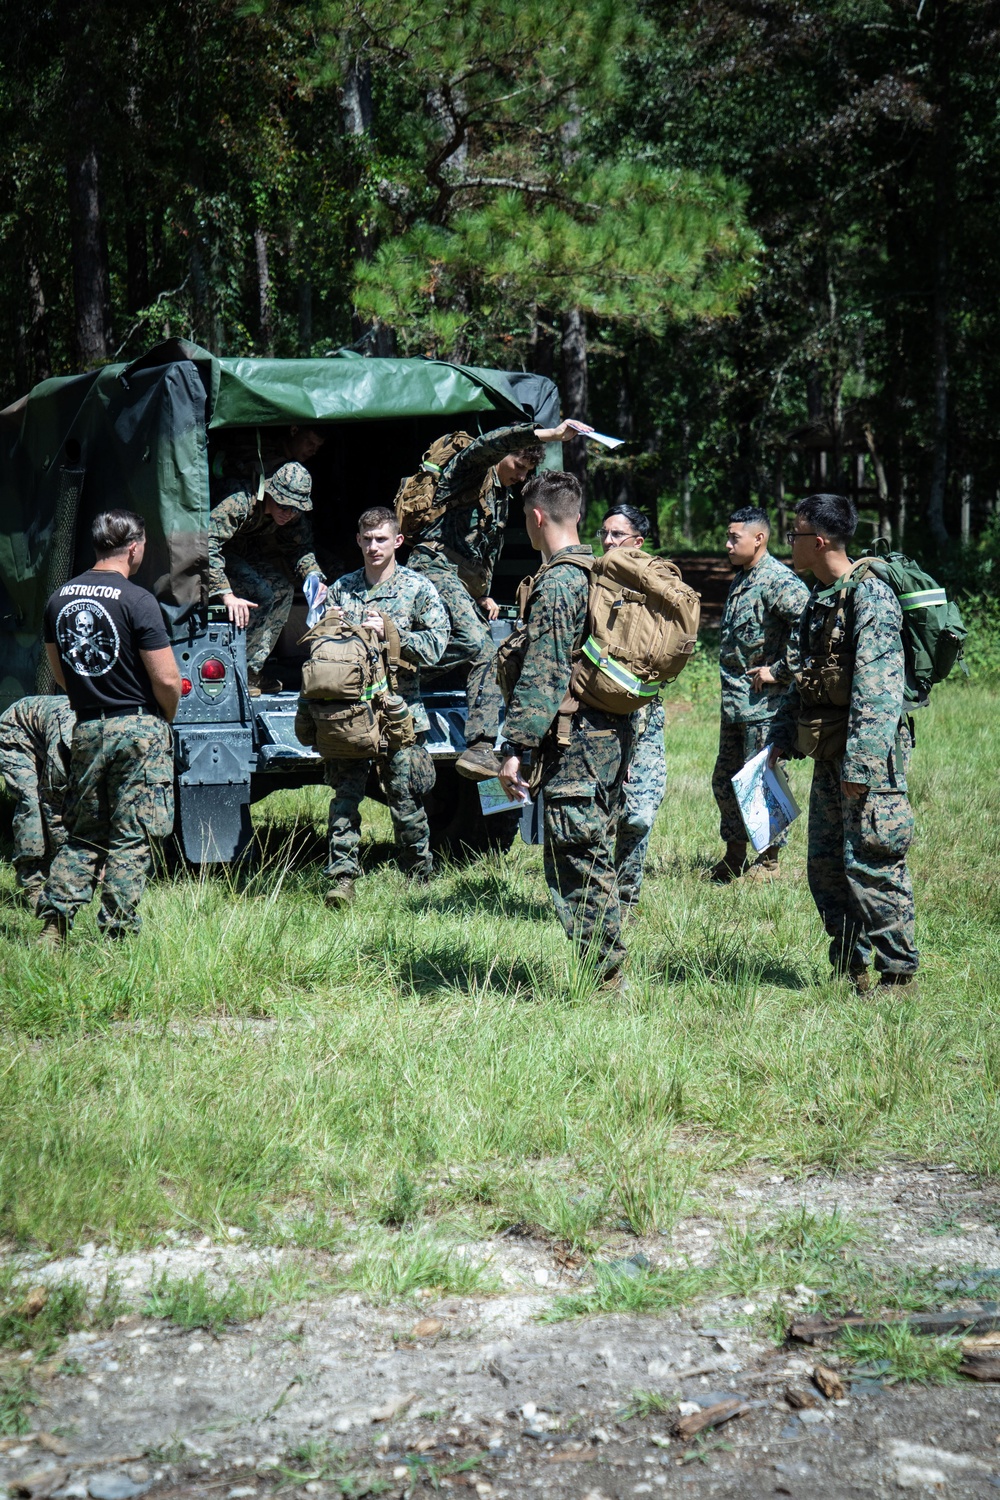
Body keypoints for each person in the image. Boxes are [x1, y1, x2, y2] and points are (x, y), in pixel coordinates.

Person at [768, 493, 919, 994]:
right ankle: (850, 966)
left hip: (867, 764)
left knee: (873, 862)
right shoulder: (820, 598)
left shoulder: (871, 597)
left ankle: (897, 974)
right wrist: (779, 739)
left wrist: (862, 767)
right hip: (831, 756)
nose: (791, 543)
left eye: (797, 534)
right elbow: (805, 677)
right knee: (826, 866)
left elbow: (879, 690)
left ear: (822, 540)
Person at [498, 471, 632, 987]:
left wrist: (516, 748)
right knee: (592, 846)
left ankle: (606, 978)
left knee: (576, 857)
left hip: (576, 742)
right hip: (609, 735)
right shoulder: (596, 570)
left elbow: (545, 672)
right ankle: (606, 971)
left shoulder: (558, 581)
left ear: (536, 518)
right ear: (577, 515)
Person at [404, 417, 593, 782]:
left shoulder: (502, 495)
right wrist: (552, 435)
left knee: (485, 642)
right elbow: (486, 444)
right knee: (481, 647)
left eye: (528, 471)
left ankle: (402, 667)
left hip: (460, 580)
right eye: (519, 466)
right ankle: (480, 745)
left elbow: (479, 550)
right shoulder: (470, 472)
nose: (522, 476)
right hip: (432, 565)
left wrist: (481, 596)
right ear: (501, 456)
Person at [36, 509, 181, 945]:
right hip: (137, 727)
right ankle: (117, 934)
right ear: (134, 547)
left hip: (86, 727)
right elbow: (168, 679)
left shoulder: (59, 598)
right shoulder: (137, 600)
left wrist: (90, 697)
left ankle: (54, 925)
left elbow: (59, 669)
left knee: (85, 831)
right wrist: (162, 719)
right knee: (131, 835)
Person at [303, 506, 449, 908]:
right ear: (357, 541)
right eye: (366, 539)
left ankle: (419, 878)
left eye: (381, 539)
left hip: (398, 711)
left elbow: (438, 644)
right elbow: (319, 648)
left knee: (405, 799)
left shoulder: (417, 588)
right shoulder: (342, 589)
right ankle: (342, 878)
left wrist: (390, 634)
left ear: (398, 541)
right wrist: (329, 627)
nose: (373, 547)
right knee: (345, 797)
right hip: (347, 713)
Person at [708, 505, 810, 882]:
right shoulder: (744, 576)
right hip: (736, 704)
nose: (727, 544)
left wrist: (780, 671)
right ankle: (735, 854)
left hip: (766, 706)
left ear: (759, 538)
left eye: (735, 538)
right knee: (725, 780)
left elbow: (810, 625)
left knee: (761, 781)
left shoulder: (778, 581)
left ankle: (769, 861)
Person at [598, 504, 668, 914]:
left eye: (617, 535)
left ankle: (627, 897)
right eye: (604, 533)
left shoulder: (658, 587)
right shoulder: (592, 578)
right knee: (602, 810)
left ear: (637, 543)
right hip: (598, 713)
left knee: (639, 812)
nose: (608, 541)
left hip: (642, 714)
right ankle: (603, 899)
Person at [208, 460, 327, 694]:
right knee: (261, 592)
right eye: (284, 505)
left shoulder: (291, 516)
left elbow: (301, 548)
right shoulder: (239, 501)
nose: (289, 513)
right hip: (218, 556)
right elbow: (206, 544)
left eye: (296, 508)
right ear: (269, 493)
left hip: (242, 553)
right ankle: (237, 671)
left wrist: (313, 576)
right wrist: (225, 593)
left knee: (283, 590)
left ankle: (252, 671)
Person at [0, 694, 76, 910]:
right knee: (31, 802)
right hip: (16, 733)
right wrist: (69, 866)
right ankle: (32, 883)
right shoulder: (66, 746)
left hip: (43, 728)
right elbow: (54, 810)